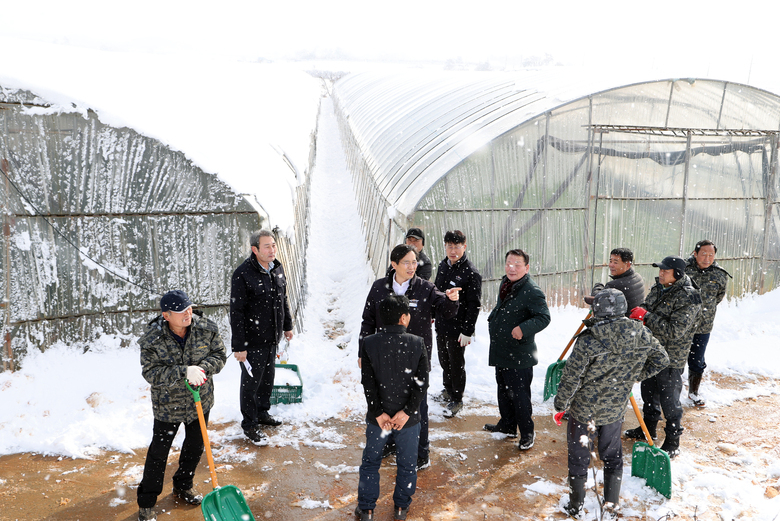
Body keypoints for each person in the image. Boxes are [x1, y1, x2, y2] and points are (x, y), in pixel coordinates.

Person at [554, 289, 669, 518]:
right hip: (615, 409)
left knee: (579, 457)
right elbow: (662, 359)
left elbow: (572, 376)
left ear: (599, 310)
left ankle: (576, 506)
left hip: (584, 410)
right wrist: (634, 375)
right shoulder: (641, 333)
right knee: (613, 457)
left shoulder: (588, 340)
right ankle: (611, 505)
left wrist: (560, 404)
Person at [360, 243, 460, 470]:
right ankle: (390, 444)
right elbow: (367, 320)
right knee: (388, 402)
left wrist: (452, 300)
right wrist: (361, 352)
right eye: (406, 262)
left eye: (415, 262)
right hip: (383, 357)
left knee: (417, 407)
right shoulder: (379, 288)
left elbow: (444, 309)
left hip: (414, 359)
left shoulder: (425, 288)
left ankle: (420, 453)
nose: (412, 266)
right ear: (394, 264)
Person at [137, 290, 227, 521]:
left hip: (200, 401)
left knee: (195, 446)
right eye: (181, 311)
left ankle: (183, 485)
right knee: (159, 452)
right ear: (166, 315)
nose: (188, 314)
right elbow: (151, 372)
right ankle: (147, 501)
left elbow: (219, 354)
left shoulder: (205, 327)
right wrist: (184, 372)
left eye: (189, 308)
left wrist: (204, 368)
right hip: (169, 405)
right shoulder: (152, 339)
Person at [356, 295, 429, 521]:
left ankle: (367, 509)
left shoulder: (369, 343)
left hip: (378, 420)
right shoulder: (417, 343)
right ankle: (400, 508)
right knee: (407, 463)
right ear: (404, 318)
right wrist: (406, 412)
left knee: (371, 461)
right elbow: (421, 383)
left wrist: (379, 413)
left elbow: (368, 383)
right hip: (408, 420)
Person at [626, 256, 701, 458]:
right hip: (651, 351)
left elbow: (674, 330)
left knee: (669, 400)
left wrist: (647, 316)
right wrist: (640, 310)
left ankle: (673, 440)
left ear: (677, 274)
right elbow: (648, 305)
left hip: (671, 357)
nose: (661, 273)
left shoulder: (688, 296)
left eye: (665, 271)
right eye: (660, 270)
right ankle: (647, 429)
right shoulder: (659, 287)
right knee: (648, 392)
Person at [483, 249, 550, 451]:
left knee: (519, 396)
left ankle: (527, 432)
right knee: (503, 391)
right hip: (502, 349)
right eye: (509, 263)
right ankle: (508, 425)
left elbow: (543, 317)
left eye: (517, 264)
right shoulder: (506, 283)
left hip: (519, 354)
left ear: (527, 267)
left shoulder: (532, 291)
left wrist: (523, 328)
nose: (512, 268)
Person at [230, 229, 294, 443]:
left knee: (268, 379)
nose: (272, 250)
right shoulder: (242, 274)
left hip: (271, 339)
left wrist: (287, 326)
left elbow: (283, 298)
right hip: (252, 341)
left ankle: (263, 413)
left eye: (273, 245)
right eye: (267, 246)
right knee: (251, 384)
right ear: (255, 249)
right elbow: (236, 312)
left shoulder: (276, 268)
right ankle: (249, 424)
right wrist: (239, 346)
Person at [433, 230, 482, 417]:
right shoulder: (443, 266)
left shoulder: (470, 272)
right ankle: (447, 389)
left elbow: (474, 304)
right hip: (442, 323)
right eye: (449, 246)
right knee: (444, 359)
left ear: (464, 246)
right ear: (445, 247)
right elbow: (437, 292)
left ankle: (457, 398)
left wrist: (468, 330)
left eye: (457, 246)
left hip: (458, 327)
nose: (453, 250)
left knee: (456, 363)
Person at [685, 240, 731, 407]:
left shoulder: (719, 274)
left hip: (703, 326)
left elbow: (718, 297)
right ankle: (669, 393)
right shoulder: (683, 269)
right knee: (675, 359)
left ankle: (693, 392)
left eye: (711, 254)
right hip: (681, 325)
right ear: (695, 253)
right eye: (703, 254)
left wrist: (705, 310)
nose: (707, 258)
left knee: (697, 360)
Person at [585, 247, 645, 313]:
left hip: (620, 322)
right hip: (635, 321)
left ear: (628, 265)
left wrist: (598, 286)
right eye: (610, 261)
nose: (611, 265)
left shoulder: (615, 285)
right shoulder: (638, 277)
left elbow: (597, 300)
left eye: (615, 262)